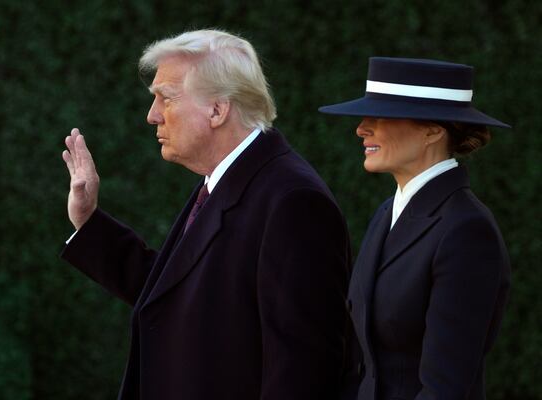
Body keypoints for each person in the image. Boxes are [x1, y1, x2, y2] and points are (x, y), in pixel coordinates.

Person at [61, 29, 355, 400]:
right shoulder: (225, 179)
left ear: (218, 109)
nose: (153, 116)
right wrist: (89, 222)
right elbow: (178, 292)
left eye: (165, 99)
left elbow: (303, 370)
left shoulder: (293, 201)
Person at [319, 57, 511, 399]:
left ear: (432, 131)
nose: (361, 129)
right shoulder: (387, 214)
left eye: (381, 116)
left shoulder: (466, 230)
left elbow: (444, 388)